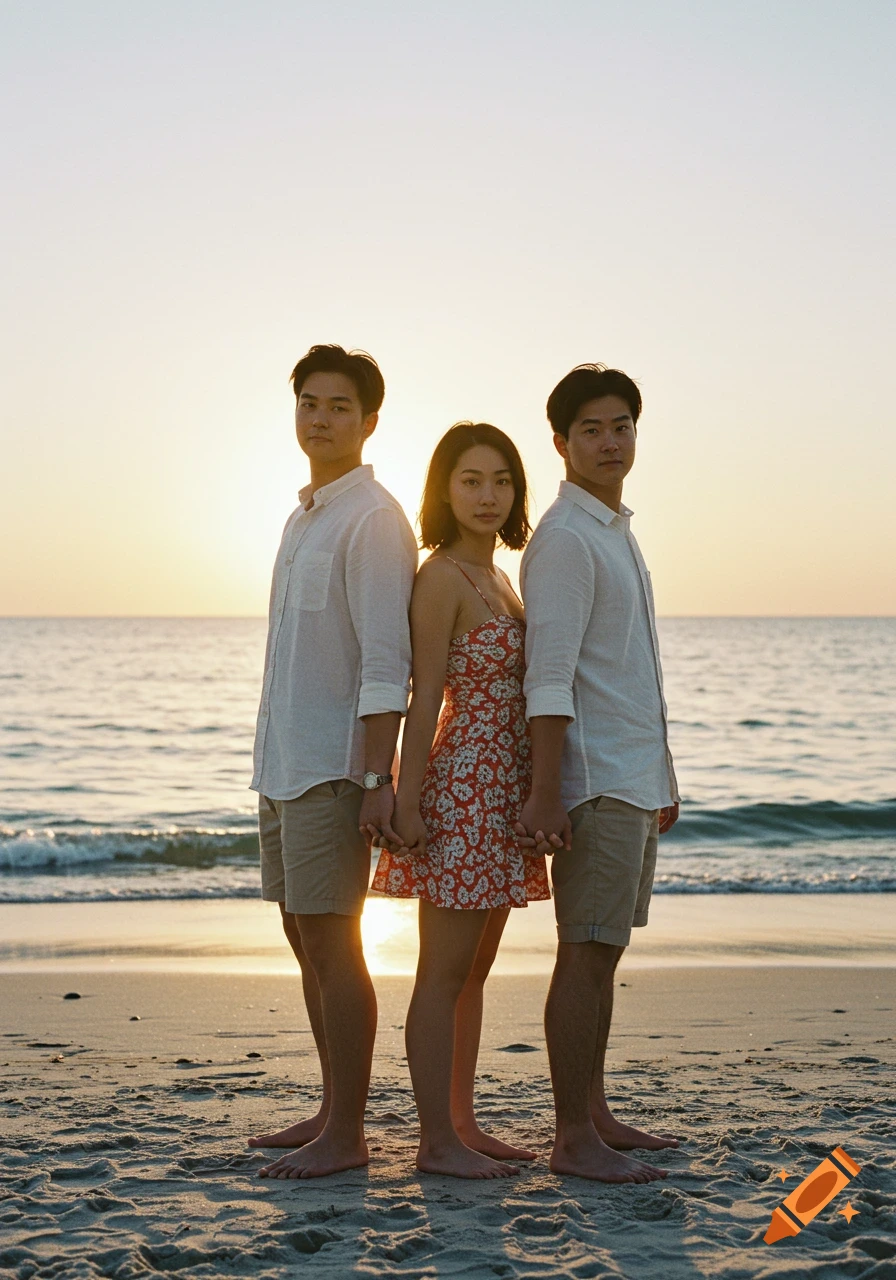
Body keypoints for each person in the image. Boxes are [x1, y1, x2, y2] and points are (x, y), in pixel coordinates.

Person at [248, 344, 417, 1179]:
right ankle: (329, 1108)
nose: (320, 418)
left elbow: (387, 663)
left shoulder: (373, 519)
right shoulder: (304, 517)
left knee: (334, 943)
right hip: (283, 763)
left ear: (370, 420)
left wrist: (377, 778)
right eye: (309, 403)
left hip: (332, 769)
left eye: (339, 406)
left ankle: (347, 1133)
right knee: (303, 939)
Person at [515, 364, 680, 1183]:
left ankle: (596, 1113)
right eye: (592, 429)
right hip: (594, 780)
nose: (610, 442)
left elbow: (631, 668)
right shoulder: (566, 539)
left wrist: (663, 776)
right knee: (583, 951)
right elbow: (548, 677)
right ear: (561, 442)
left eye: (622, 426)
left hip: (633, 775)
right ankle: (573, 1136)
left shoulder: (614, 529)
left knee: (604, 952)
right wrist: (547, 792)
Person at [371, 422, 550, 1179]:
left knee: (474, 972)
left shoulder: (501, 577)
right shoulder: (441, 576)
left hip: (503, 791)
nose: (488, 495)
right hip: (464, 789)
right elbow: (425, 699)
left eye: (502, 480)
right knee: (442, 974)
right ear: (444, 490)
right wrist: (405, 800)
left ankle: (462, 1122)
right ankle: (435, 1141)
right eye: (471, 480)